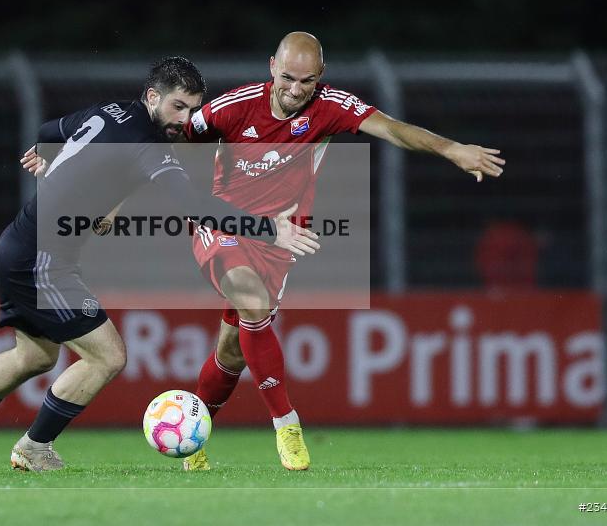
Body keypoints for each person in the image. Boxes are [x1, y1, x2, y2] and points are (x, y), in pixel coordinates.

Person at [0, 57, 318, 472]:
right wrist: (268, 229)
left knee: (34, 356)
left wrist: (50, 161)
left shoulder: (109, 111)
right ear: (153, 96)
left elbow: (48, 132)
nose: (185, 119)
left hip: (19, 246)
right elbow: (194, 206)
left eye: (192, 109)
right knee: (107, 356)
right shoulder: (146, 144)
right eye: (177, 107)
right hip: (42, 261)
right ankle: (34, 447)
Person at [180, 32, 506, 471]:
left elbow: (391, 128)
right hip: (222, 226)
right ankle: (287, 425)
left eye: (307, 81)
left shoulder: (330, 106)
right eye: (288, 78)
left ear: (321, 76)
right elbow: (172, 141)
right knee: (251, 300)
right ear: (272, 66)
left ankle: (191, 438)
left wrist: (450, 149)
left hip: (280, 242)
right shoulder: (233, 106)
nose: (295, 90)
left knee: (233, 349)